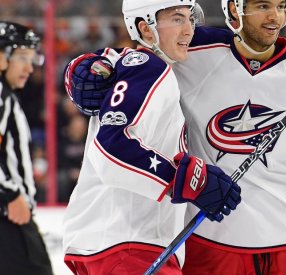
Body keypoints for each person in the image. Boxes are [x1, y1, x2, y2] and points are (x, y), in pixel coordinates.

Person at [67, 0, 286, 274]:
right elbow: (139, 51)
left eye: (281, 6)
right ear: (234, 8)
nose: (274, 17)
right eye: (261, 6)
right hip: (210, 248)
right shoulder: (192, 52)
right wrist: (89, 66)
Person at [61, 1, 241, 274]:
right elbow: (111, 149)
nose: (188, 30)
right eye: (177, 19)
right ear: (145, 29)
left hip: (112, 245)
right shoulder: (150, 68)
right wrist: (186, 181)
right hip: (129, 247)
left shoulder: (133, 67)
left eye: (190, 19)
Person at [0, 21, 53, 275]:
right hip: (9, 217)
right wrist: (9, 195)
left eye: (32, 59)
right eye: (22, 57)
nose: (29, 68)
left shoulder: (7, 94)